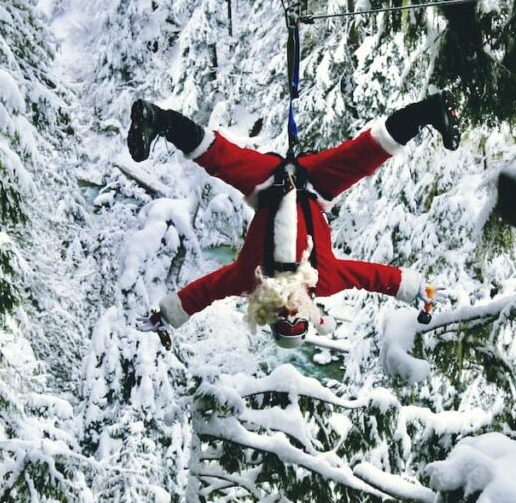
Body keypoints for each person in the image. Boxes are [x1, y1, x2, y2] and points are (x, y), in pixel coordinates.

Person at [129, 94, 460, 348]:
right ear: (309, 312)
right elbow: (373, 278)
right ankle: (429, 111)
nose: (289, 313)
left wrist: (166, 317)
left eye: (282, 320)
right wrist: (417, 289)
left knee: (219, 158)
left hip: (266, 183)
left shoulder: (249, 280)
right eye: (296, 320)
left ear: (269, 315)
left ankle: (158, 120)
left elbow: (204, 292)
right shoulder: (327, 280)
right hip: (314, 185)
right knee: (366, 154)